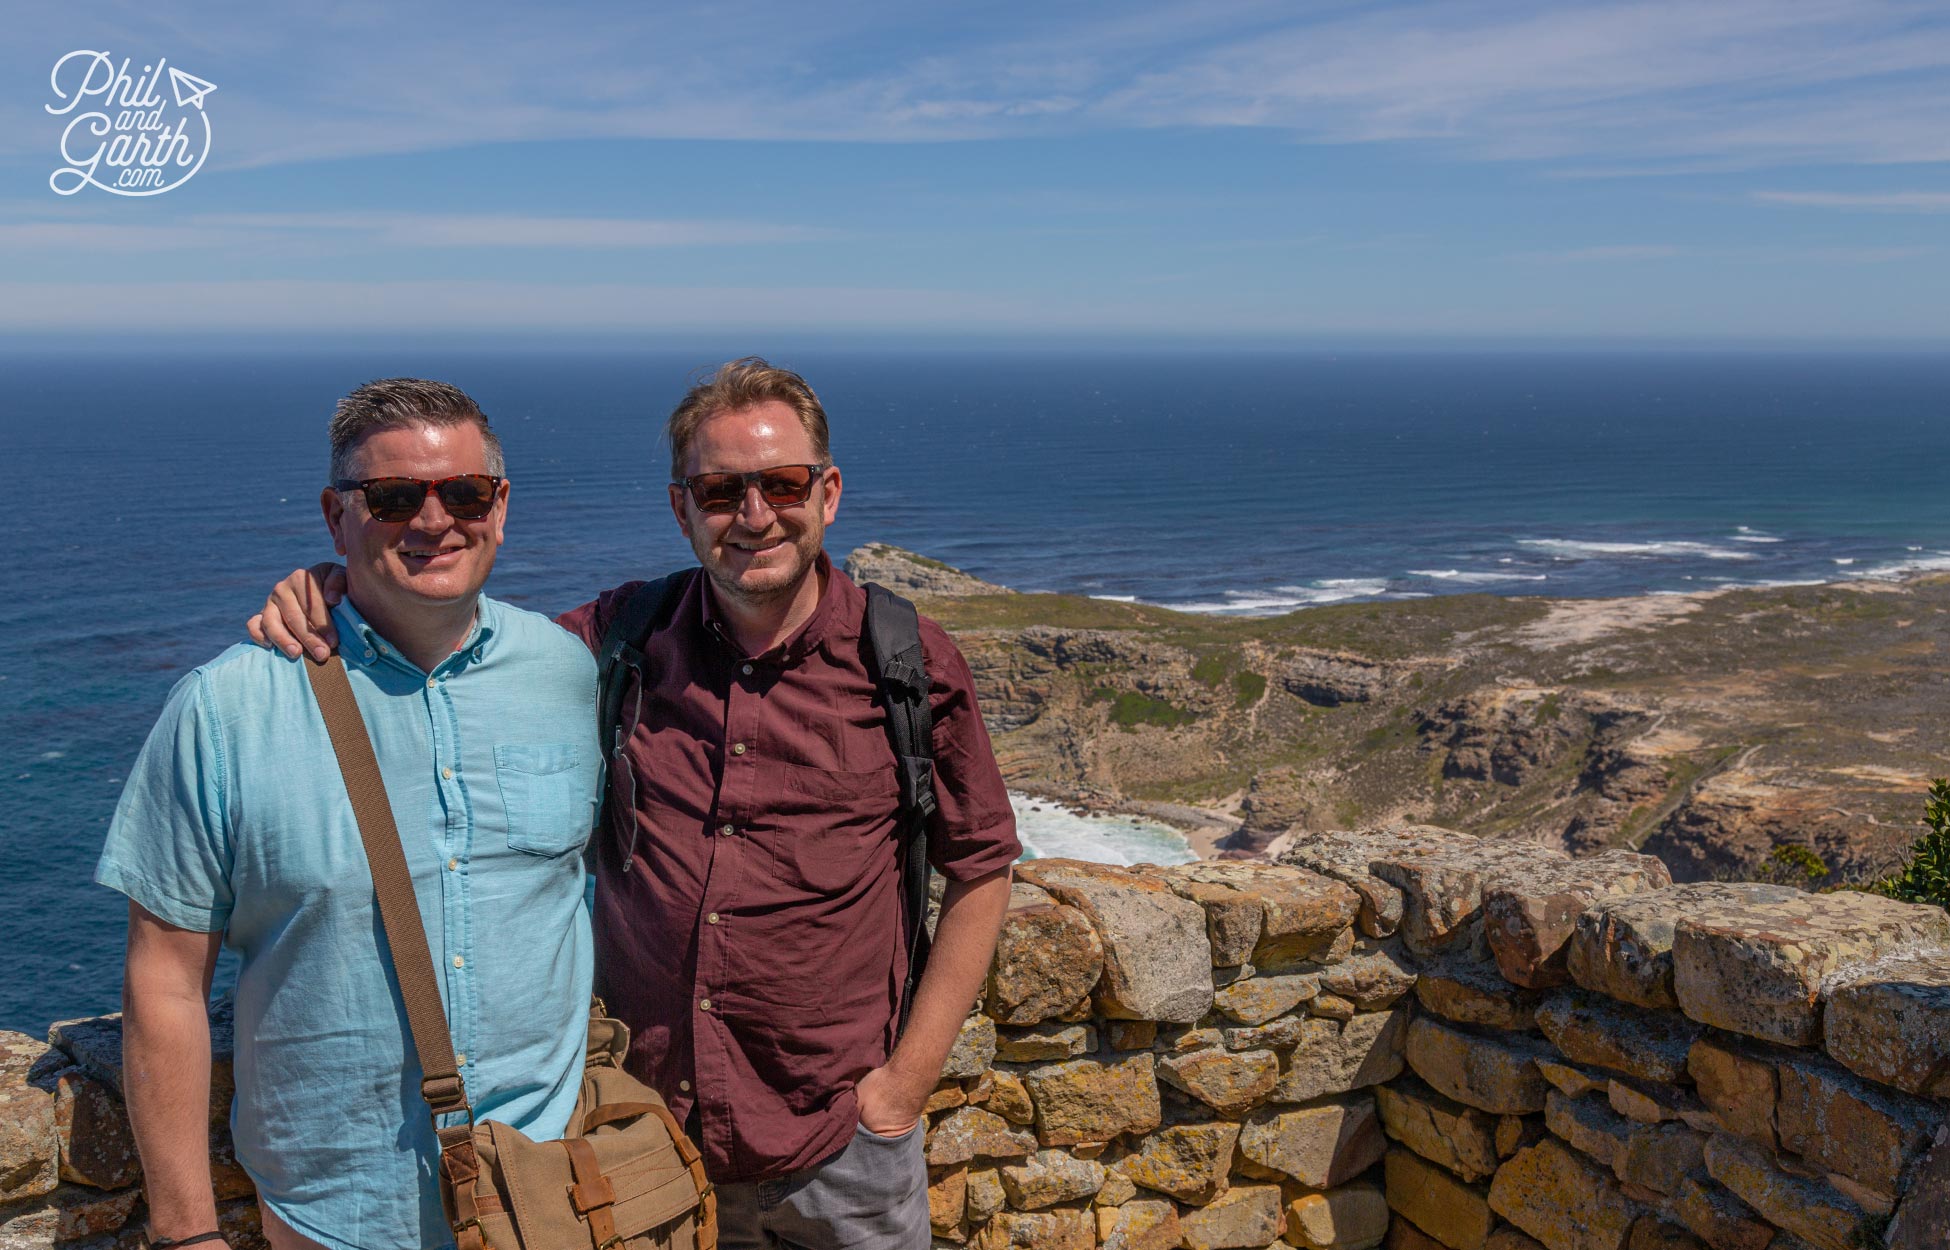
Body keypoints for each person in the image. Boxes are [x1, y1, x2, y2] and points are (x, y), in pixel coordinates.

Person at [250, 358, 1019, 1250]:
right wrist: (340, 583)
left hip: (838, 1144)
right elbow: (460, 636)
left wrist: (902, 1089)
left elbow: (981, 869)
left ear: (829, 492)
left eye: (782, 483)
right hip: (643, 1139)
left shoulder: (908, 664)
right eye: (722, 490)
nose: (756, 514)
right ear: (681, 507)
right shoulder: (616, 638)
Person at [103, 380, 600, 1250]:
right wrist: (186, 1232)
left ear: (501, 505)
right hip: (338, 1218)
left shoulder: (569, 672)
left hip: (552, 1193)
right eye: (395, 498)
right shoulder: (226, 709)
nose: (434, 520)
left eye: (464, 492)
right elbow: (165, 981)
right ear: (338, 519)